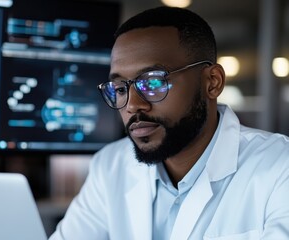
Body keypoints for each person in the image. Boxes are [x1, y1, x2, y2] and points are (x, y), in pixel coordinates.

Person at [49, 6, 289, 240]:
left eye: (153, 82)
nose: (132, 105)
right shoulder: (110, 166)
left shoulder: (280, 167)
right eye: (120, 88)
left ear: (212, 82)